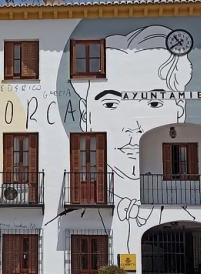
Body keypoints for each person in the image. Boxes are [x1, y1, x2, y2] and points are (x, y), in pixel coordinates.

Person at [68, 25, 193, 251]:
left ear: (180, 109)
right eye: (110, 104)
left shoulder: (191, 212)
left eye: (155, 103)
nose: (134, 127)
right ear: (86, 116)